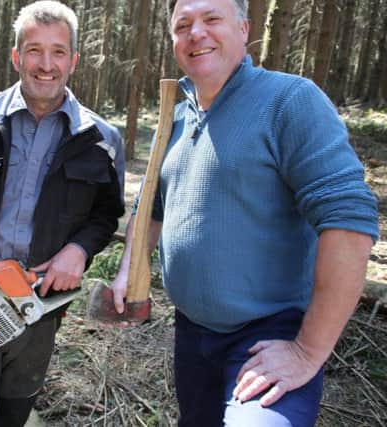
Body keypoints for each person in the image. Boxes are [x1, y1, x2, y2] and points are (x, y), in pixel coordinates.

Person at [110, 0, 379, 425]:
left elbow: (349, 221)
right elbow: (152, 211)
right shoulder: (176, 116)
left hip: (269, 336)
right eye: (183, 25)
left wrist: (306, 352)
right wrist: (130, 270)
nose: (196, 32)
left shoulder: (290, 101)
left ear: (244, 28)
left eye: (211, 19)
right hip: (192, 334)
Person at [0, 1, 125, 426]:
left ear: (73, 60)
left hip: (39, 305)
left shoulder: (100, 139)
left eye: (57, 52)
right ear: (17, 56)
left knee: (15, 408)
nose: (45, 65)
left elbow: (106, 214)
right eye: (34, 50)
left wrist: (79, 250)